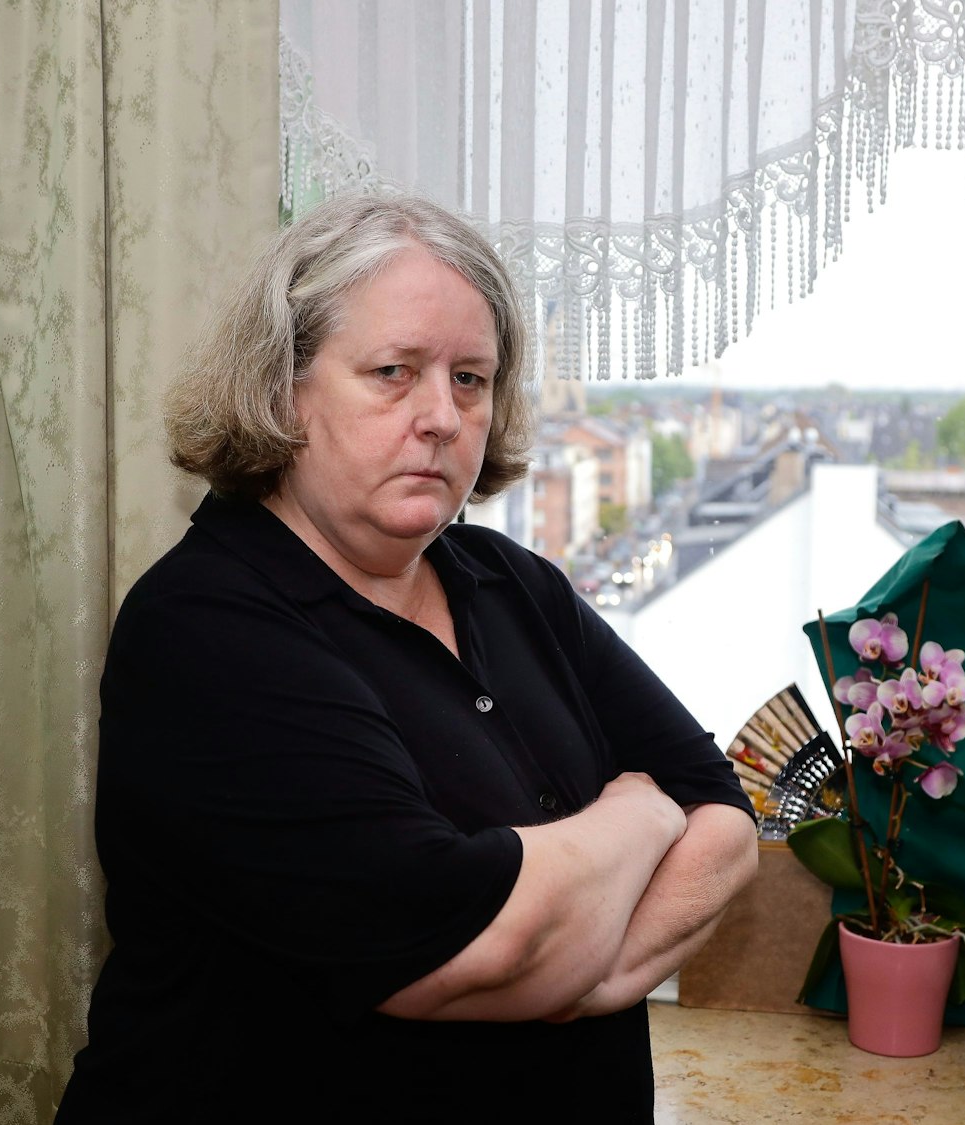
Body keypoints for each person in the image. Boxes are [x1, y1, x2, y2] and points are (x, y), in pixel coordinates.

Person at [55, 193, 759, 1121]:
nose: (441, 416)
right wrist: (638, 812)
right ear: (283, 386)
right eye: (394, 371)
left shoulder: (514, 583)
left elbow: (726, 820)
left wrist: (584, 975)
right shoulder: (204, 628)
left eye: (471, 379)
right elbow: (462, 949)